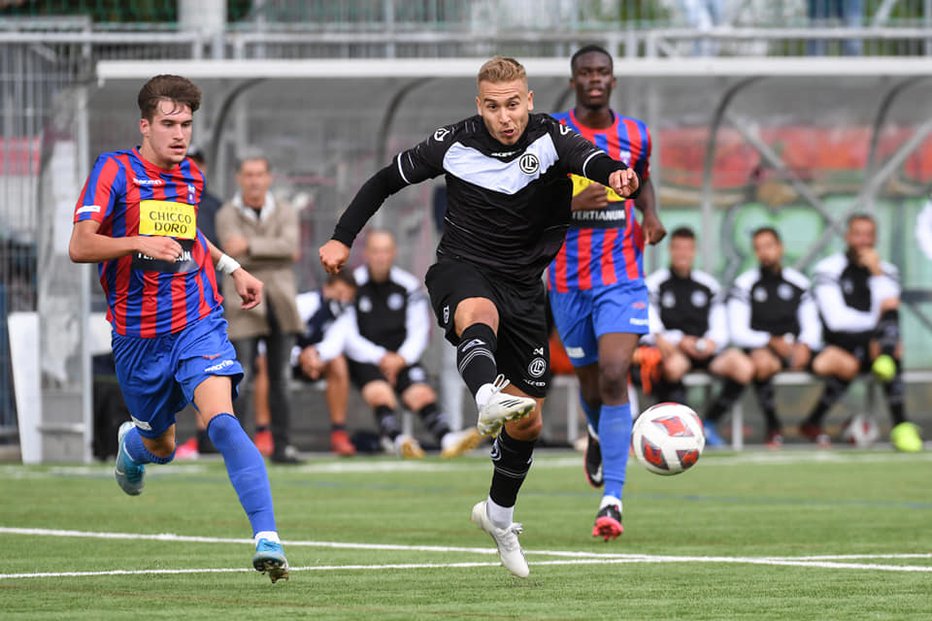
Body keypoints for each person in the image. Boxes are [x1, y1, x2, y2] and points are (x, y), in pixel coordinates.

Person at [319, 56, 640, 577]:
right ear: (479, 106)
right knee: (475, 312)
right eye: (493, 107)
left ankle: (497, 514)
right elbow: (384, 180)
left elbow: (592, 160)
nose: (505, 116)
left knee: (529, 420)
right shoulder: (454, 142)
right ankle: (487, 395)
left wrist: (617, 174)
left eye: (513, 104)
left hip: (524, 292)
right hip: (463, 268)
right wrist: (341, 237)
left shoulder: (551, 137)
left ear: (529, 100)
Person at [69, 74, 288, 582]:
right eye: (168, 123)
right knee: (162, 446)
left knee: (222, 420)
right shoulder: (114, 171)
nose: (179, 133)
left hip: (196, 320)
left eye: (186, 123)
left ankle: (267, 537)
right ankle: (133, 448)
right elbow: (80, 245)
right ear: (144, 125)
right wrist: (136, 242)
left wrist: (233, 269)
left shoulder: (189, 176)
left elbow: (186, 233)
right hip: (137, 340)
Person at [548, 45, 665, 541]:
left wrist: (650, 215)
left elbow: (643, 179)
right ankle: (596, 433)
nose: (594, 79)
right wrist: (574, 201)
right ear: (573, 80)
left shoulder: (635, 133)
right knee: (593, 387)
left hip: (621, 275)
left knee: (617, 374)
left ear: (613, 80)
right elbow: (527, 200)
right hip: (566, 280)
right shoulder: (550, 133)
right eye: (585, 73)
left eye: (602, 72)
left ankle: (612, 500)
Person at [349, 229, 481, 458]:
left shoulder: (408, 285)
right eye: (375, 251)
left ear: (393, 253)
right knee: (380, 393)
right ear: (366, 254)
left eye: (385, 251)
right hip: (367, 359)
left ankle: (447, 438)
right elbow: (347, 334)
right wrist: (381, 357)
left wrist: (400, 359)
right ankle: (398, 440)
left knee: (421, 394)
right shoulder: (353, 285)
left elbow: (419, 331)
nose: (381, 257)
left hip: (403, 357)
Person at [800, 214, 922, 452]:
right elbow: (836, 321)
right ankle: (901, 422)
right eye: (858, 234)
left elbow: (889, 308)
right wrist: (875, 333)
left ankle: (901, 425)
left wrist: (876, 274)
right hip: (838, 345)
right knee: (888, 346)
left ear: (875, 238)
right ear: (847, 236)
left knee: (889, 344)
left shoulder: (885, 271)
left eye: (868, 235)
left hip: (872, 347)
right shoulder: (828, 268)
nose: (863, 241)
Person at [216, 153, 305, 464]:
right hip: (242, 303)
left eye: (259, 174)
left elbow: (290, 248)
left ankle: (283, 446)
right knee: (241, 375)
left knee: (281, 376)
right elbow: (230, 249)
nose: (254, 180)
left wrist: (251, 247)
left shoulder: (286, 210)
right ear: (240, 178)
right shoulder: (227, 213)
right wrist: (271, 249)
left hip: (280, 301)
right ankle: (236, 449)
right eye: (248, 175)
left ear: (269, 178)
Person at [645, 227, 754, 447]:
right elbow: (651, 326)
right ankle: (683, 429)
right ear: (670, 250)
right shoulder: (656, 284)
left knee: (743, 367)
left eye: (688, 249)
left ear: (694, 252)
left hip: (705, 349)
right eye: (678, 248)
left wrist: (712, 343)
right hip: (674, 351)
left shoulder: (708, 285)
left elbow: (720, 326)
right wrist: (679, 341)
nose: (683, 254)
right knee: (674, 366)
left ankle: (709, 424)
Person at [728, 226, 821, 447]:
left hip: (796, 349)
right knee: (761, 363)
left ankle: (814, 422)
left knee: (839, 363)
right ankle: (773, 427)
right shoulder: (745, 284)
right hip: (763, 349)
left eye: (769, 246)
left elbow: (812, 323)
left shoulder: (799, 283)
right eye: (758, 248)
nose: (764, 253)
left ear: (780, 248)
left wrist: (805, 344)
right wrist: (770, 341)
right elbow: (738, 332)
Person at [292, 269, 383, 457]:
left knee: (338, 362)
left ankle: (339, 433)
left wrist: (315, 355)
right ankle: (265, 433)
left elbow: (335, 344)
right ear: (327, 288)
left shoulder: (344, 313)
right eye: (339, 293)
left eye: (347, 297)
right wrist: (300, 356)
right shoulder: (302, 304)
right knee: (264, 364)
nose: (342, 300)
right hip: (288, 360)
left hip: (316, 363)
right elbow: (279, 341)